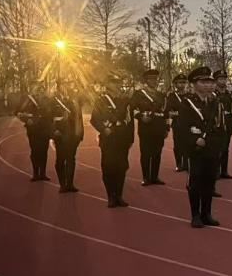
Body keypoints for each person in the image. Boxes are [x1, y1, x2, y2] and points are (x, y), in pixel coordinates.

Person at [175, 66, 227, 227]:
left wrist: (218, 146)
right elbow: (181, 128)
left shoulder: (215, 103)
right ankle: (195, 215)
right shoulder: (187, 103)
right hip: (195, 151)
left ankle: (206, 214)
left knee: (209, 182)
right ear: (194, 84)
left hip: (212, 149)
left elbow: (220, 127)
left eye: (210, 82)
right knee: (195, 182)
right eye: (204, 82)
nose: (208, 85)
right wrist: (194, 140)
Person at [89, 74, 135, 208]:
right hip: (108, 139)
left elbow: (130, 122)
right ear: (108, 85)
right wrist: (103, 129)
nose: (117, 86)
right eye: (114, 83)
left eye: (118, 83)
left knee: (121, 167)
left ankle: (119, 195)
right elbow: (94, 119)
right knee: (108, 167)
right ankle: (110, 196)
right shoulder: (101, 101)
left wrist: (130, 139)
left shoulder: (125, 101)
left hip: (122, 138)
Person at [130, 68, 168, 186]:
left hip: (159, 127)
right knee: (146, 153)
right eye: (151, 79)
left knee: (157, 153)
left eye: (155, 79)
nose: (154, 81)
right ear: (146, 80)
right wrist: (141, 117)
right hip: (146, 127)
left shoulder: (161, 95)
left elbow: (165, 112)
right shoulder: (139, 94)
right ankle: (146, 177)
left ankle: (155, 177)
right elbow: (132, 109)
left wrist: (166, 127)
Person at [49, 82, 83, 193]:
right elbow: (49, 118)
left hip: (73, 135)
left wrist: (79, 133)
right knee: (60, 160)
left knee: (71, 159)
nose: (68, 88)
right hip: (60, 135)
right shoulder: (54, 101)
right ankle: (62, 184)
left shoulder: (75, 100)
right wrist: (54, 131)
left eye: (69, 85)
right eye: (65, 86)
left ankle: (70, 184)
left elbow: (78, 117)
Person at [15, 81, 51, 182]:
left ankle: (43, 173)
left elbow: (50, 112)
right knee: (35, 151)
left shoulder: (46, 99)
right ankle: (35, 173)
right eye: (35, 87)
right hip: (33, 129)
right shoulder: (26, 99)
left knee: (44, 151)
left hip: (44, 128)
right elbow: (17, 112)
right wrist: (26, 120)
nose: (37, 89)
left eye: (39, 87)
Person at [214, 70, 232, 179]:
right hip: (217, 123)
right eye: (220, 79)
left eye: (224, 79)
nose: (223, 81)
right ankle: (216, 171)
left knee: (225, 148)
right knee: (217, 148)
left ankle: (224, 170)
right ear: (216, 80)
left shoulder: (230, 94)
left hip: (228, 122)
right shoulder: (213, 94)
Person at [165, 74, 190, 172]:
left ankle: (186, 163)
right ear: (175, 84)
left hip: (188, 124)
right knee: (178, 144)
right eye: (180, 83)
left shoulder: (190, 95)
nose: (182, 85)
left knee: (188, 144)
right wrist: (177, 113)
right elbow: (168, 111)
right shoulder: (172, 96)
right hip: (177, 123)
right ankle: (179, 164)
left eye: (184, 82)